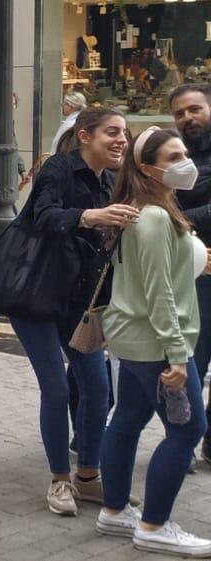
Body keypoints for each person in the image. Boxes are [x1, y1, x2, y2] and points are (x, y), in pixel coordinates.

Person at [10, 106, 134, 516]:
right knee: (58, 388)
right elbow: (43, 215)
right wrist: (91, 216)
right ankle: (60, 481)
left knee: (98, 387)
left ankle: (88, 477)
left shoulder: (113, 179)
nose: (121, 140)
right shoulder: (58, 169)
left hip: (80, 300)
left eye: (125, 133)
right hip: (35, 295)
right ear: (85, 135)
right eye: (112, 132)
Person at [94, 126, 211, 556]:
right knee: (188, 431)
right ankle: (154, 525)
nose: (186, 162)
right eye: (173, 156)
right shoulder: (156, 217)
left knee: (126, 420)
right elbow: (159, 292)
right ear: (147, 169)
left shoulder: (140, 209)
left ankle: (113, 512)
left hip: (131, 337)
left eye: (184, 152)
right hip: (156, 343)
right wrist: (178, 355)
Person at [170, 83, 211, 466]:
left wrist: (184, 218)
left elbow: (175, 213)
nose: (188, 118)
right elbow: (165, 212)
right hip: (195, 277)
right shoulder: (176, 159)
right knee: (192, 364)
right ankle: (184, 439)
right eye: (180, 113)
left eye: (195, 109)